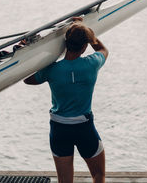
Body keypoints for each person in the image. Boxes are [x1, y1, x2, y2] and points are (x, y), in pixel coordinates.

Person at [23, 17, 108, 183]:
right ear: (84, 46)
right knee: (98, 175)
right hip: (85, 129)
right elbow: (103, 49)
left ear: (66, 43)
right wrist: (86, 29)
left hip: (59, 130)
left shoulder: (52, 70)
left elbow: (27, 79)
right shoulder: (92, 64)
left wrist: (47, 57)